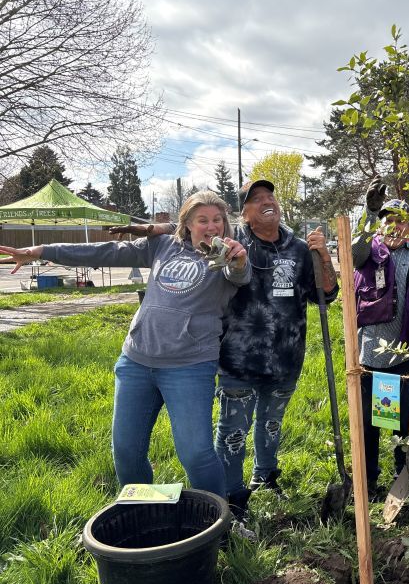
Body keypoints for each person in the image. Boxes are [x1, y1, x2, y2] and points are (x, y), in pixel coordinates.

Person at [110, 179, 338, 520]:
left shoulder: (299, 248)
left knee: (271, 426)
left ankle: (266, 477)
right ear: (243, 214)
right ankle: (231, 498)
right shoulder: (230, 243)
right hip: (236, 358)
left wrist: (322, 255)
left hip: (285, 357)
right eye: (255, 199)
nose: (266, 202)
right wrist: (155, 226)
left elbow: (326, 293)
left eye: (269, 196)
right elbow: (195, 226)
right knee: (232, 433)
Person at [0, 191, 250, 499]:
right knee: (127, 454)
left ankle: (217, 527)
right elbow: (104, 252)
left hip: (189, 366)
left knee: (196, 455)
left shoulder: (228, 254)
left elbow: (239, 273)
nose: (211, 226)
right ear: (187, 223)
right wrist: (41, 251)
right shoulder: (162, 246)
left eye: (217, 220)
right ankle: (149, 515)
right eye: (202, 220)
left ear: (225, 224)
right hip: (136, 363)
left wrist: (238, 261)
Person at [352, 180, 409, 501]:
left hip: (407, 356)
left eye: (400, 221)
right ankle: (368, 481)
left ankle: (406, 478)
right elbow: (353, 248)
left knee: (405, 425)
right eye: (387, 221)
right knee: (368, 426)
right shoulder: (369, 253)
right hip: (370, 356)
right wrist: (369, 212)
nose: (393, 227)